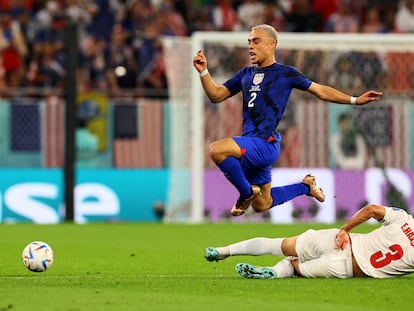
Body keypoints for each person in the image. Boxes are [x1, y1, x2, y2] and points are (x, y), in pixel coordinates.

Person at [192, 24, 382, 217]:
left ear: (271, 44)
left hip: (265, 144)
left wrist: (354, 99)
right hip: (251, 143)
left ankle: (246, 193)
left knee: (217, 149)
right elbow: (216, 95)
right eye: (249, 42)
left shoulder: (285, 73)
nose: (250, 46)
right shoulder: (245, 74)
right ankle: (305, 187)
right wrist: (203, 72)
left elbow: (320, 90)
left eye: (256, 41)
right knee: (262, 204)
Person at [204, 203, 414, 279]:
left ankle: (223, 250)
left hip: (341, 241)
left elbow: (371, 210)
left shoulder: (404, 219)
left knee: (279, 244)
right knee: (293, 266)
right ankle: (275, 272)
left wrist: (344, 229)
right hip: (345, 268)